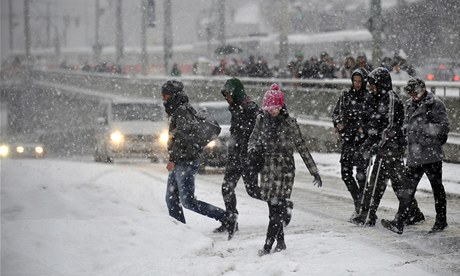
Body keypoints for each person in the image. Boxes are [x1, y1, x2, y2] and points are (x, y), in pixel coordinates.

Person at [248, 84, 323, 256]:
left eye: (275, 108)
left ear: (281, 106)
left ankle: (267, 246)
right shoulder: (261, 120)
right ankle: (281, 242)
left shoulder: (289, 124)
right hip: (267, 169)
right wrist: (253, 151)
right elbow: (252, 139)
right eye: (269, 108)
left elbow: (301, 147)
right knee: (272, 209)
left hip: (284, 170)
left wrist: (314, 171)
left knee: (276, 209)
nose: (271, 111)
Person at [161, 79, 237, 240]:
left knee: (187, 201)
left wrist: (173, 158)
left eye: (166, 95)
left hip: (185, 162)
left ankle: (226, 217)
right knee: (171, 199)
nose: (164, 99)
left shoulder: (182, 111)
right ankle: (180, 233)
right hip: (181, 161)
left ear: (173, 96)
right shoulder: (178, 110)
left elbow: (183, 138)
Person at [351, 67, 424, 227]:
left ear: (381, 83)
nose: (371, 88)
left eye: (373, 84)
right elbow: (375, 123)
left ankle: (369, 214)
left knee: (382, 182)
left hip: (392, 147)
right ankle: (411, 213)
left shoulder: (390, 98)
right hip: (384, 147)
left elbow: (390, 125)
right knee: (387, 183)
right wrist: (370, 141)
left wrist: (379, 143)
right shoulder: (377, 98)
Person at [381, 78, 450, 234]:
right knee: (408, 189)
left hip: (431, 154)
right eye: (410, 93)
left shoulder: (435, 104)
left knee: (437, 188)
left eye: (415, 93)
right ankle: (399, 222)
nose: (412, 96)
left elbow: (444, 126)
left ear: (423, 89)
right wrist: (406, 129)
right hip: (415, 154)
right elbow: (407, 123)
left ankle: (441, 221)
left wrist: (424, 129)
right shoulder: (409, 104)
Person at [213, 78, 263, 233]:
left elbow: (261, 126)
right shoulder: (234, 107)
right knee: (227, 187)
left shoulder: (249, 106)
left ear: (235, 93)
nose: (226, 98)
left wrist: (250, 146)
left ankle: (281, 204)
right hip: (235, 155)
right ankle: (231, 220)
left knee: (253, 190)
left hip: (248, 156)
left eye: (228, 95)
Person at [332, 68, 370, 219]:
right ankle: (358, 201)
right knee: (346, 173)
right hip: (349, 139)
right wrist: (338, 124)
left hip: (362, 141)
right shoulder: (345, 96)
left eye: (360, 81)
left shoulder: (368, 98)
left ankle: (363, 208)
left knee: (361, 176)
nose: (357, 84)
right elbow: (335, 113)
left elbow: (374, 120)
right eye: (355, 81)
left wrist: (363, 128)